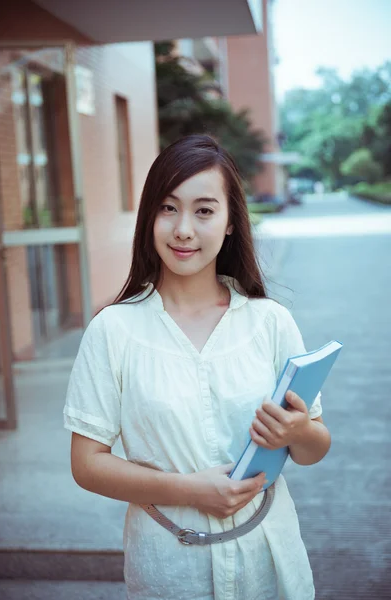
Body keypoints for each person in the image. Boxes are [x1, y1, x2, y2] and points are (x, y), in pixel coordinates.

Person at [63, 134, 331, 600]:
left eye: (204, 210)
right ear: (149, 218)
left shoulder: (270, 322)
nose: (183, 229)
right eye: (168, 208)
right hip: (169, 569)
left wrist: (297, 434)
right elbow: (87, 466)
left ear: (230, 223)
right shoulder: (113, 330)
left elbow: (314, 448)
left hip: (271, 563)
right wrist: (189, 490)